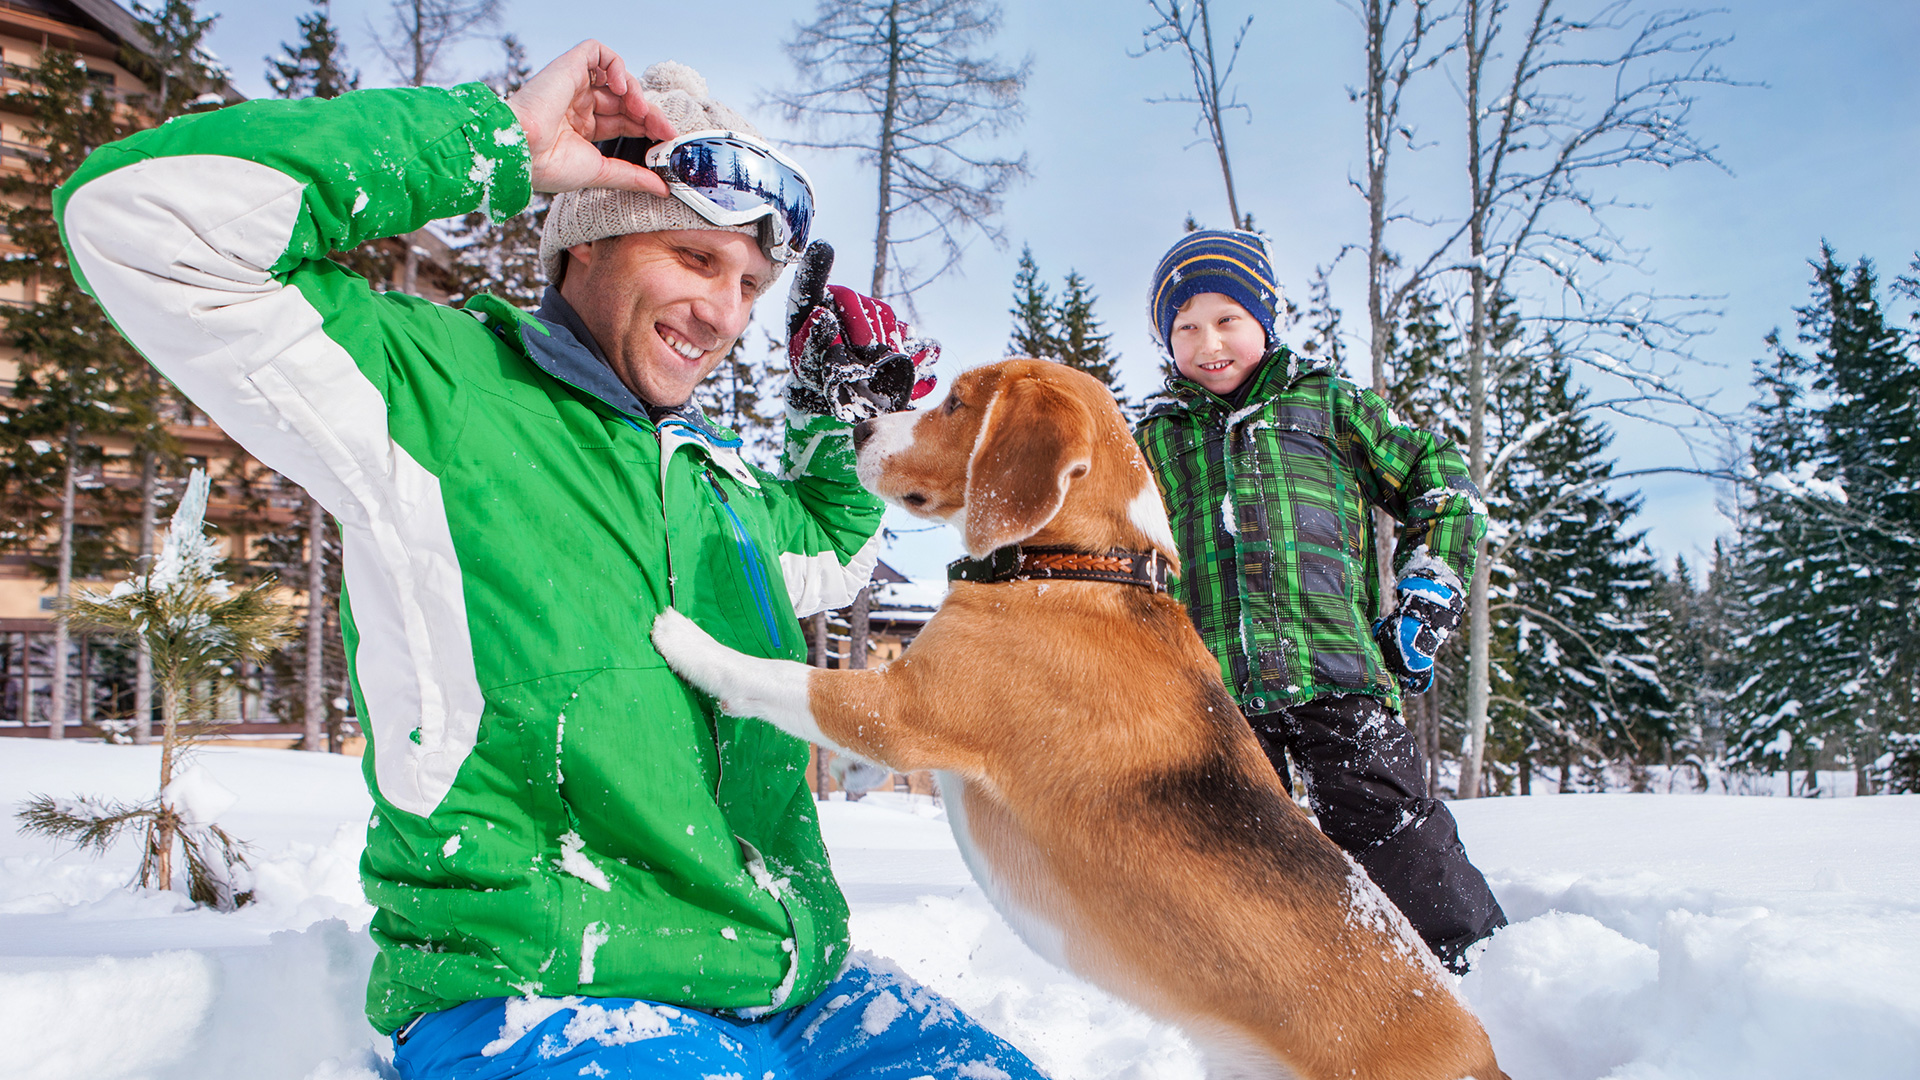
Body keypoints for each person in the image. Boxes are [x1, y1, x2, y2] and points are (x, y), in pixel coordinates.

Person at [58, 41, 1047, 1080]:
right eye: (695, 259)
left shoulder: (715, 484)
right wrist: (496, 146)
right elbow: (140, 217)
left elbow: (834, 552)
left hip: (794, 992)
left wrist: (827, 421)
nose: (726, 315)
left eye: (751, 285)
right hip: (544, 993)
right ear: (586, 242)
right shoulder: (434, 396)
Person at [1132, 230, 1507, 972]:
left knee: (1393, 827)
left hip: (1334, 666)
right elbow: (1124, 552)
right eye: (1186, 327)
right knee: (1234, 851)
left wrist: (1429, 590)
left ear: (1264, 320)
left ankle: (1475, 976)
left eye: (1227, 318)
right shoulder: (1156, 441)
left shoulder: (1329, 405)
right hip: (1216, 694)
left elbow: (1441, 485)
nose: (1209, 341)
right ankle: (1283, 994)